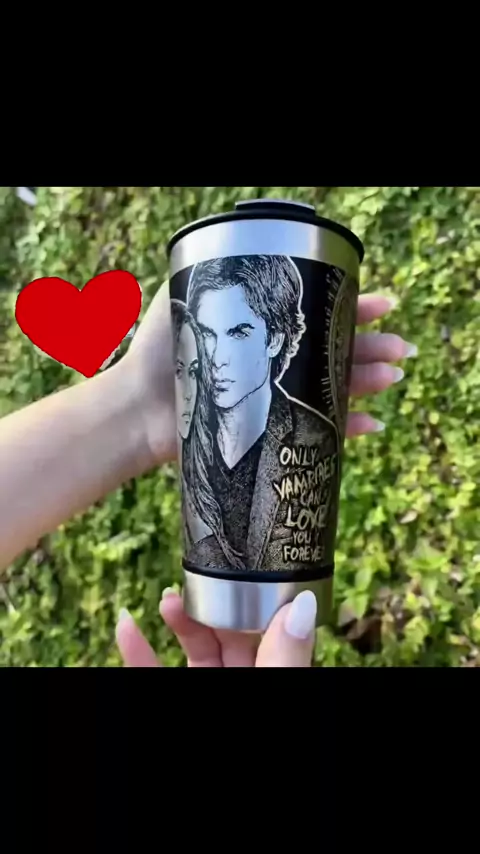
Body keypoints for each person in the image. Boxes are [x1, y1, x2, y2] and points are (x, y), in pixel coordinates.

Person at [0, 281, 415, 665]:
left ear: (274, 339)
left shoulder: (311, 437)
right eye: (207, 335)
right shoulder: (192, 438)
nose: (217, 357)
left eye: (238, 332)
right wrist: (138, 402)